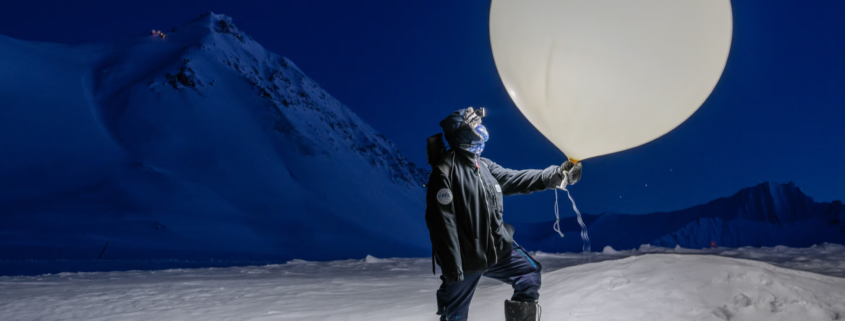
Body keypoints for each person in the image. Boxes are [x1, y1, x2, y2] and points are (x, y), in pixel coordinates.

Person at [425, 107, 582, 321]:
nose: (481, 128)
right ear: (464, 132)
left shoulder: (484, 166)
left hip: (497, 251)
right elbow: (442, 224)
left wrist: (557, 175)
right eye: (474, 124)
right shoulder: (445, 172)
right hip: (465, 261)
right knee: (454, 316)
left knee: (529, 273)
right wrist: (452, 267)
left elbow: (517, 179)